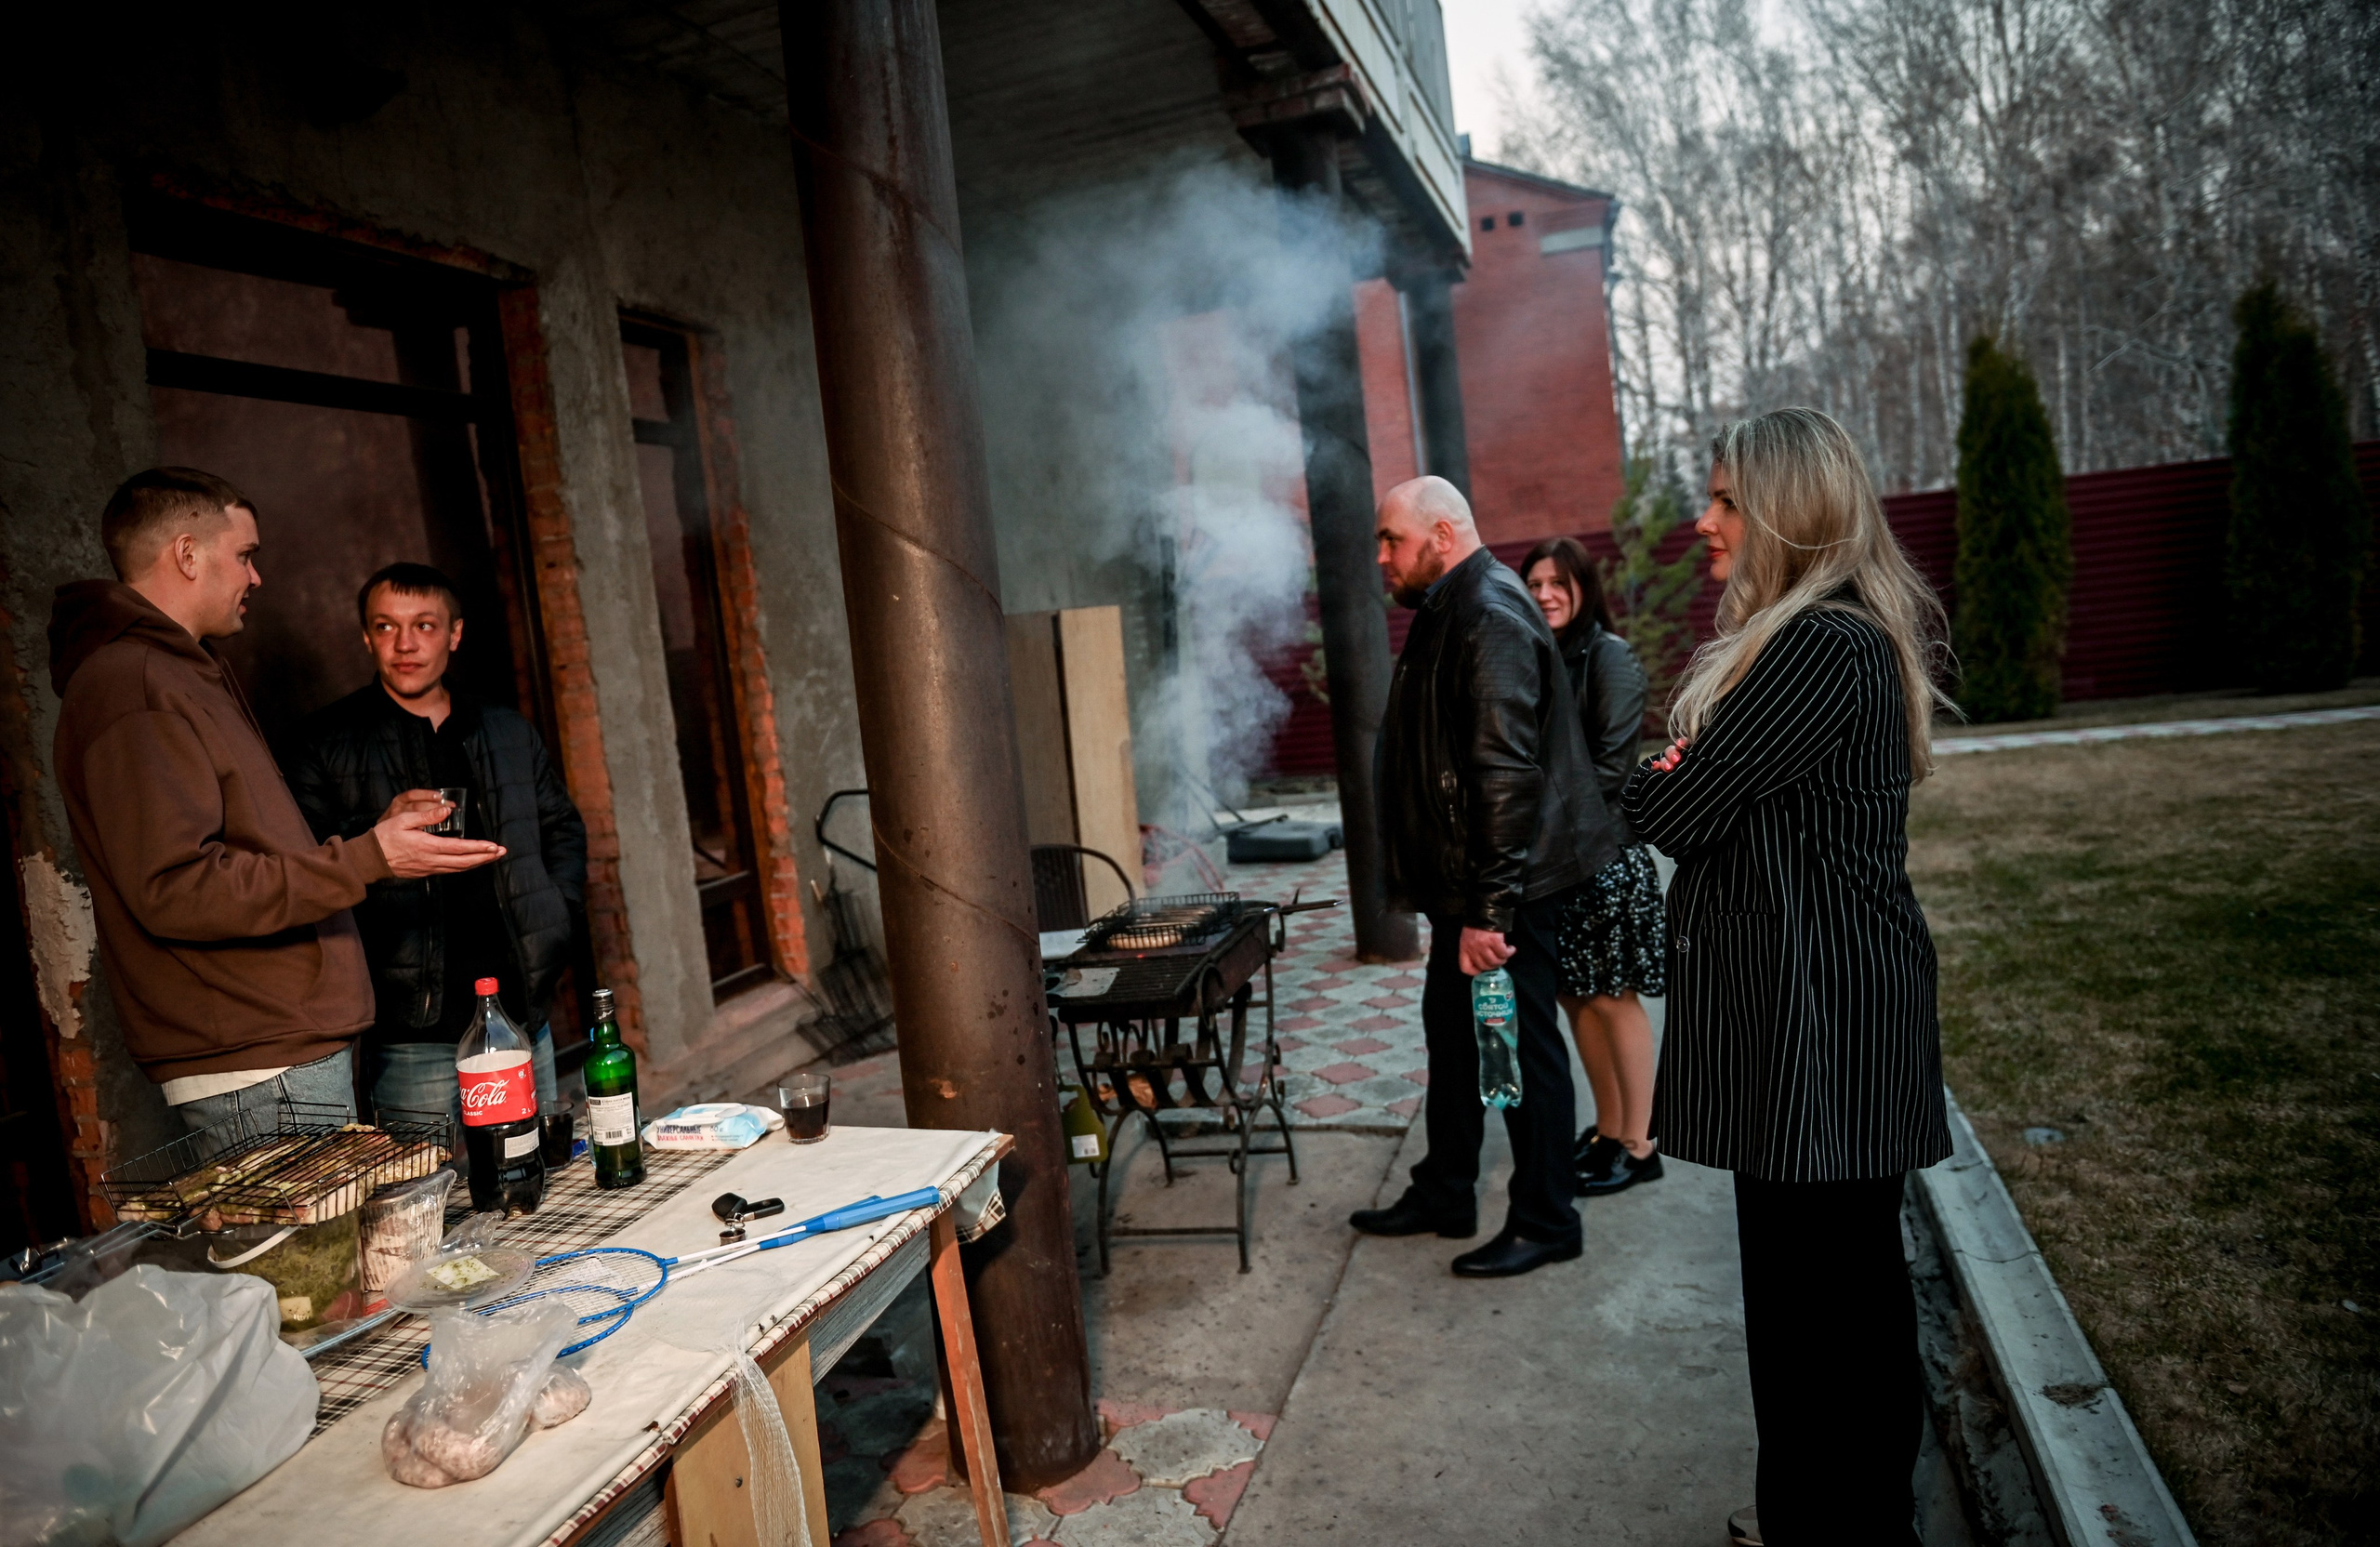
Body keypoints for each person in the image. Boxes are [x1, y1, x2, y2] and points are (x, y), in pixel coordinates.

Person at [1620, 409, 1953, 1546]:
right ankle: (1829, 1514)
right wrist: (1682, 768)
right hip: (1813, 1020)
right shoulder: (1816, 640)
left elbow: (1674, 802)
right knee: (1826, 1304)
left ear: (1781, 511)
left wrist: (1671, 770)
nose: (1702, 522)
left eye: (1721, 500)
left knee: (1824, 1316)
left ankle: (1844, 1523)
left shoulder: (1820, 647)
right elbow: (1699, 791)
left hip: (1824, 1027)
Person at [48, 469, 507, 1134]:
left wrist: (371, 840)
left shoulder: (177, 671)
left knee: (338, 1241)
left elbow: (239, 849)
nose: (255, 577)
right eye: (245, 555)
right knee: (308, 1245)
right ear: (186, 554)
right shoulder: (134, 685)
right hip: (252, 1060)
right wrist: (366, 859)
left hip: (274, 1046)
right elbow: (177, 887)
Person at [1349, 476, 1624, 1277]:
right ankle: (1446, 1188)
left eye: (1390, 540)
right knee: (1455, 1034)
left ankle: (1547, 1219)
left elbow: (1505, 775)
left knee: (1522, 1049)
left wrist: (1490, 912)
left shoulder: (1489, 615)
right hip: (1469, 886)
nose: (1380, 556)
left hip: (1511, 890)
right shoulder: (1450, 606)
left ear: (1440, 534)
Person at [287, 562, 586, 1132]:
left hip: (521, 1012)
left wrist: (559, 915)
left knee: (537, 1181)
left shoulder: (506, 730)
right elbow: (302, 869)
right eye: (385, 626)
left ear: (454, 634)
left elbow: (562, 831)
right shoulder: (324, 744)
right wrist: (373, 831)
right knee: (423, 1201)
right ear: (366, 637)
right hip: (410, 1030)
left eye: (424, 625)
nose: (405, 645)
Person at [1519, 536, 1668, 1197]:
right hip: (1557, 862)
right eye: (1534, 583)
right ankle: (1609, 1130)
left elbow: (1610, 770)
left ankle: (1641, 1145)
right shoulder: (1538, 657)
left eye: (1559, 582)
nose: (1545, 593)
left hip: (1604, 857)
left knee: (1614, 999)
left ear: (1584, 588)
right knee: (1577, 998)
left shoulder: (1610, 658)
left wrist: (1540, 822)